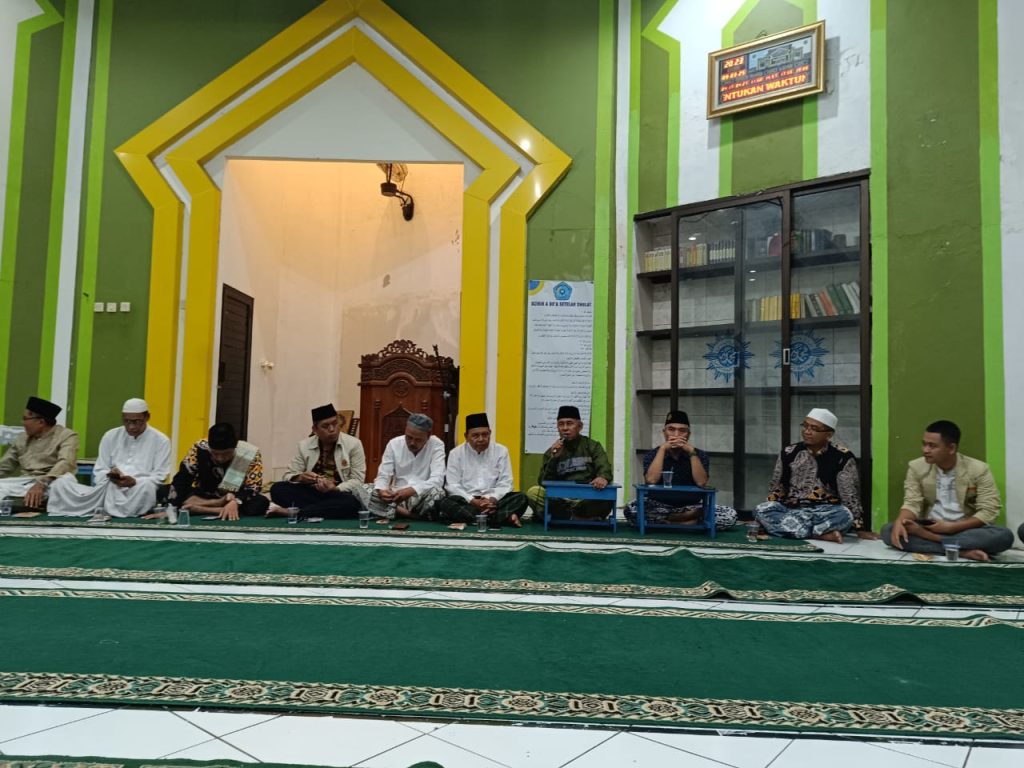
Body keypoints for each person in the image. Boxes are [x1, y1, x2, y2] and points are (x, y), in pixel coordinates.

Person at [881, 420, 1013, 561]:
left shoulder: (978, 469)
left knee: (1003, 535)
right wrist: (900, 522)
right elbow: (912, 502)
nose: (925, 450)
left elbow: (988, 511)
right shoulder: (916, 467)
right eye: (924, 444)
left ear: (951, 448)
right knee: (888, 531)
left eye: (932, 446)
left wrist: (951, 528)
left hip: (965, 529)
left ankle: (936, 542)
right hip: (930, 526)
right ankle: (962, 551)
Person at [754, 408, 869, 543]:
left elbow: (849, 496)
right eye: (805, 426)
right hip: (792, 509)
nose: (807, 431)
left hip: (824, 512)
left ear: (829, 434)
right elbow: (777, 488)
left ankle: (791, 530)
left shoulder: (842, 457)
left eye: (814, 428)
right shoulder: (788, 452)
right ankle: (819, 534)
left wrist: (860, 529)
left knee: (845, 515)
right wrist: (770, 508)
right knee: (761, 509)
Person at [47, 398, 170, 518]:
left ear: (147, 417)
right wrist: (111, 475)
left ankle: (108, 508)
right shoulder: (110, 436)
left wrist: (135, 482)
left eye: (137, 422)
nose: (131, 427)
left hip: (138, 490)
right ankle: (108, 506)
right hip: (110, 487)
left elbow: (160, 476)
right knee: (61, 483)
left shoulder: (161, 440)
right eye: (127, 421)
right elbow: (100, 470)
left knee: (147, 486)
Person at [624, 410, 737, 530]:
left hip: (691, 506)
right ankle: (688, 521)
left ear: (688, 434)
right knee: (631, 509)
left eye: (682, 430)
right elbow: (651, 480)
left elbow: (701, 482)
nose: (676, 434)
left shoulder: (699, 455)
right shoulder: (653, 454)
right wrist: (662, 449)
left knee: (730, 515)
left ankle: (671, 521)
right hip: (660, 506)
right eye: (671, 429)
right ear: (664, 432)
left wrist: (691, 452)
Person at [267, 403, 367, 519]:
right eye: (325, 426)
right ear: (315, 430)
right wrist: (300, 478)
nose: (332, 429)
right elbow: (288, 475)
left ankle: (295, 513)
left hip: (339, 493)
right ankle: (320, 510)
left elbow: (358, 480)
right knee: (277, 489)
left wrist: (335, 488)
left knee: (351, 503)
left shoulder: (354, 444)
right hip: (312, 493)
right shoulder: (304, 445)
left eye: (335, 423)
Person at [439, 412, 528, 528]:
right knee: (445, 503)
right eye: (475, 436)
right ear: (466, 436)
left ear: (490, 433)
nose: (481, 439)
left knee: (522, 498)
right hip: (467, 501)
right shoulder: (456, 454)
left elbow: (506, 483)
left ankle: (478, 519)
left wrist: (492, 499)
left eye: (485, 434)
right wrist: (473, 501)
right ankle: (501, 518)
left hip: (494, 502)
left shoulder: (501, 451)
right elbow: (452, 485)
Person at [526, 405, 613, 522]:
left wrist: (602, 477)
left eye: (569, 423)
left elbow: (604, 468)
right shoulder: (551, 452)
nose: (565, 428)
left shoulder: (592, 446)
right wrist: (554, 459)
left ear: (580, 426)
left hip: (586, 497)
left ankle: (563, 516)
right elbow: (543, 482)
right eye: (561, 424)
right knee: (533, 493)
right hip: (561, 499)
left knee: (607, 495)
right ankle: (579, 518)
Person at [170, 422, 269, 520]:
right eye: (215, 454)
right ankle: (219, 507)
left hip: (234, 497)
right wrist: (172, 506)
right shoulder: (199, 448)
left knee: (261, 502)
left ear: (235, 447)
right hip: (206, 496)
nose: (220, 458)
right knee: (170, 491)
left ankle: (202, 509)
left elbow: (253, 488)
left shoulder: (250, 453)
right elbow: (183, 478)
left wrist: (236, 501)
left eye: (226, 454)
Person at [0, 396, 79, 509]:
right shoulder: (22, 438)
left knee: (63, 484)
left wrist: (42, 483)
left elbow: (66, 463)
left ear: (41, 422)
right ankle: (28, 503)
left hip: (53, 480)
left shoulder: (67, 435)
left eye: (25, 419)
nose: (23, 423)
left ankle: (30, 502)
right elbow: (5, 465)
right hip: (27, 481)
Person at [366, 413, 445, 520]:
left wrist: (412, 490)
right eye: (409, 437)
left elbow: (437, 480)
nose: (412, 443)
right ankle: (411, 515)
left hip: (421, 497)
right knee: (364, 489)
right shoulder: (394, 444)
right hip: (396, 497)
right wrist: (382, 491)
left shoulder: (436, 445)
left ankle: (392, 511)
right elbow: (383, 475)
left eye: (418, 440)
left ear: (428, 436)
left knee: (438, 493)